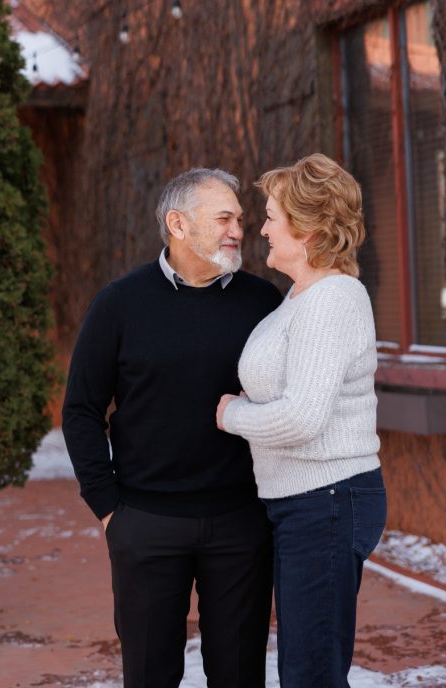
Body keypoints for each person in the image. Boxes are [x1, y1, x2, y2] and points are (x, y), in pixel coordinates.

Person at [62, 167, 283, 688]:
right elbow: (82, 410)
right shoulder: (119, 303)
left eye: (241, 219)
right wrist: (109, 507)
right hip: (146, 521)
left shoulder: (264, 302)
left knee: (239, 674)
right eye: (224, 218)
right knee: (149, 674)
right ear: (178, 224)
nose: (238, 230)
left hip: (240, 522)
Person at [216, 153, 386, 688]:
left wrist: (233, 414)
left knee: (310, 670)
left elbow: (301, 419)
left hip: (328, 501)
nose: (261, 228)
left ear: (308, 229)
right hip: (304, 504)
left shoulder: (332, 300)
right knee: (303, 663)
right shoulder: (299, 297)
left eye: (271, 216)